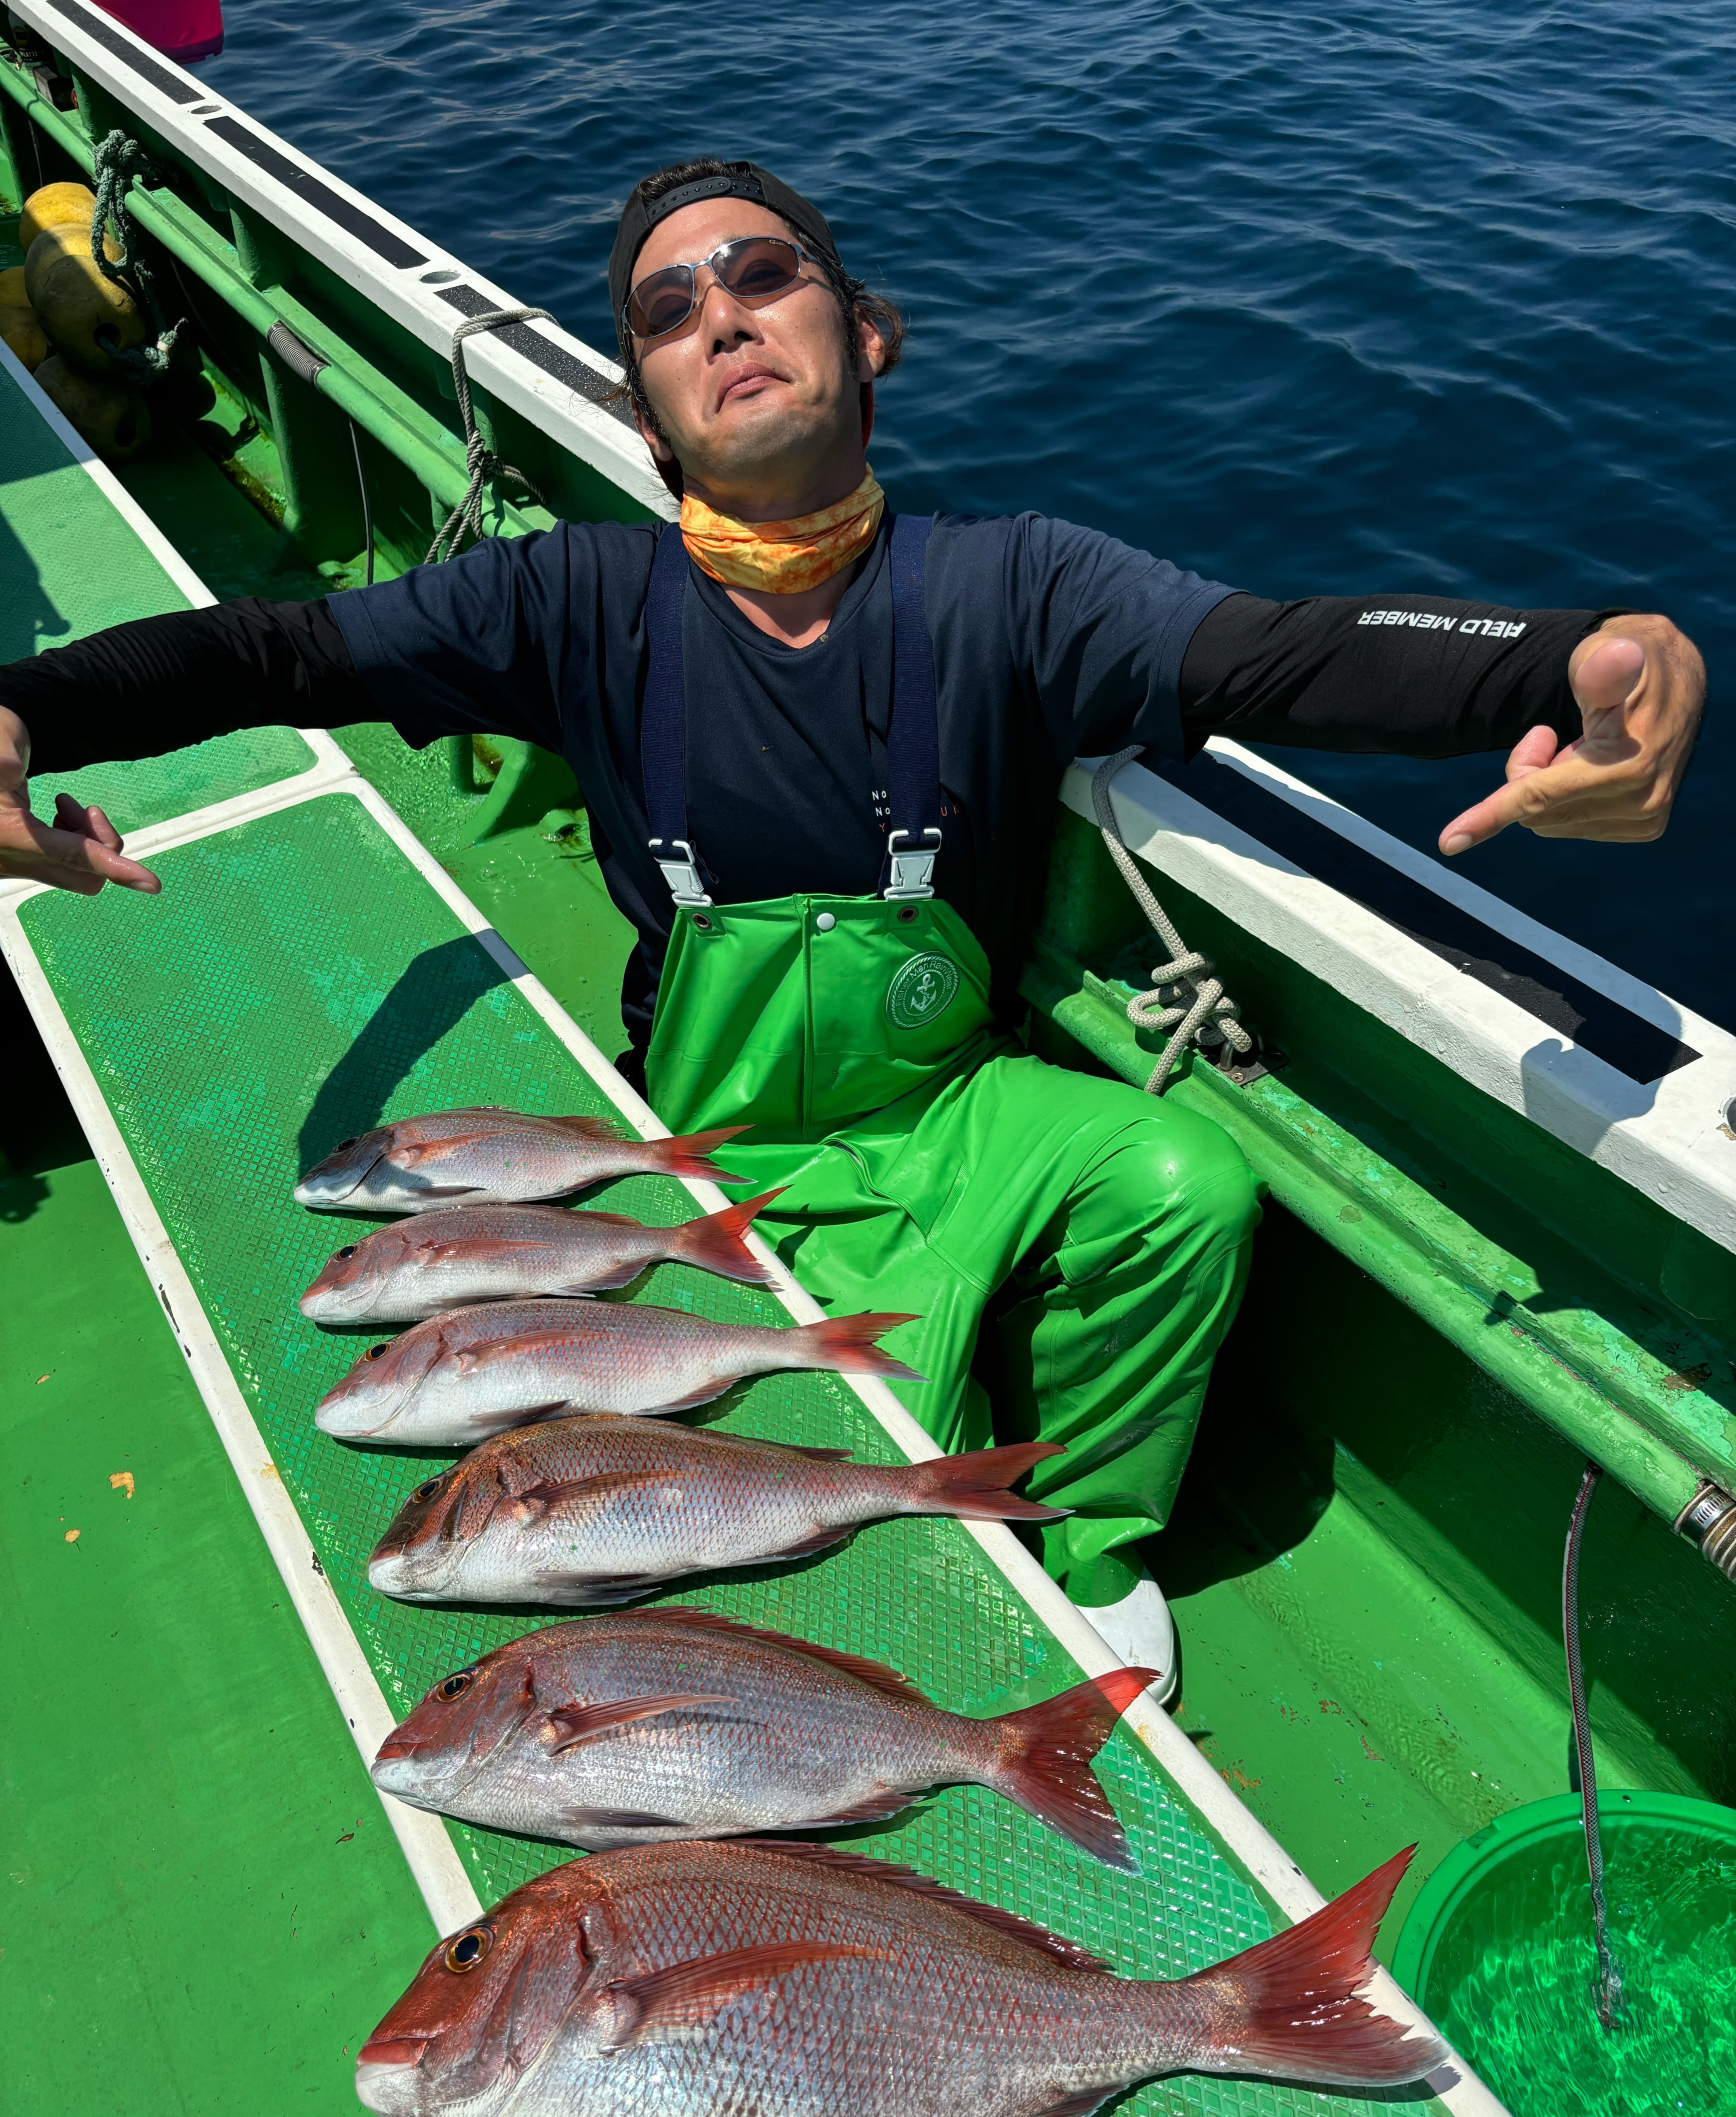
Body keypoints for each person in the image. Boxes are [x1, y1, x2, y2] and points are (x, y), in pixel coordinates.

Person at [0, 156, 1705, 1666]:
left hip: (946, 1104)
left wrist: (1585, 654)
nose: (722, 312)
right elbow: (275, 648)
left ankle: (1084, 1552)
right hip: (693, 1145)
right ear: (648, 407)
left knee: (1182, 1182)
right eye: (670, 307)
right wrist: (28, 716)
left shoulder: (1016, 583)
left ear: (864, 336)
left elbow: (1275, 648)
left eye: (765, 272)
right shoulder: (578, 601)